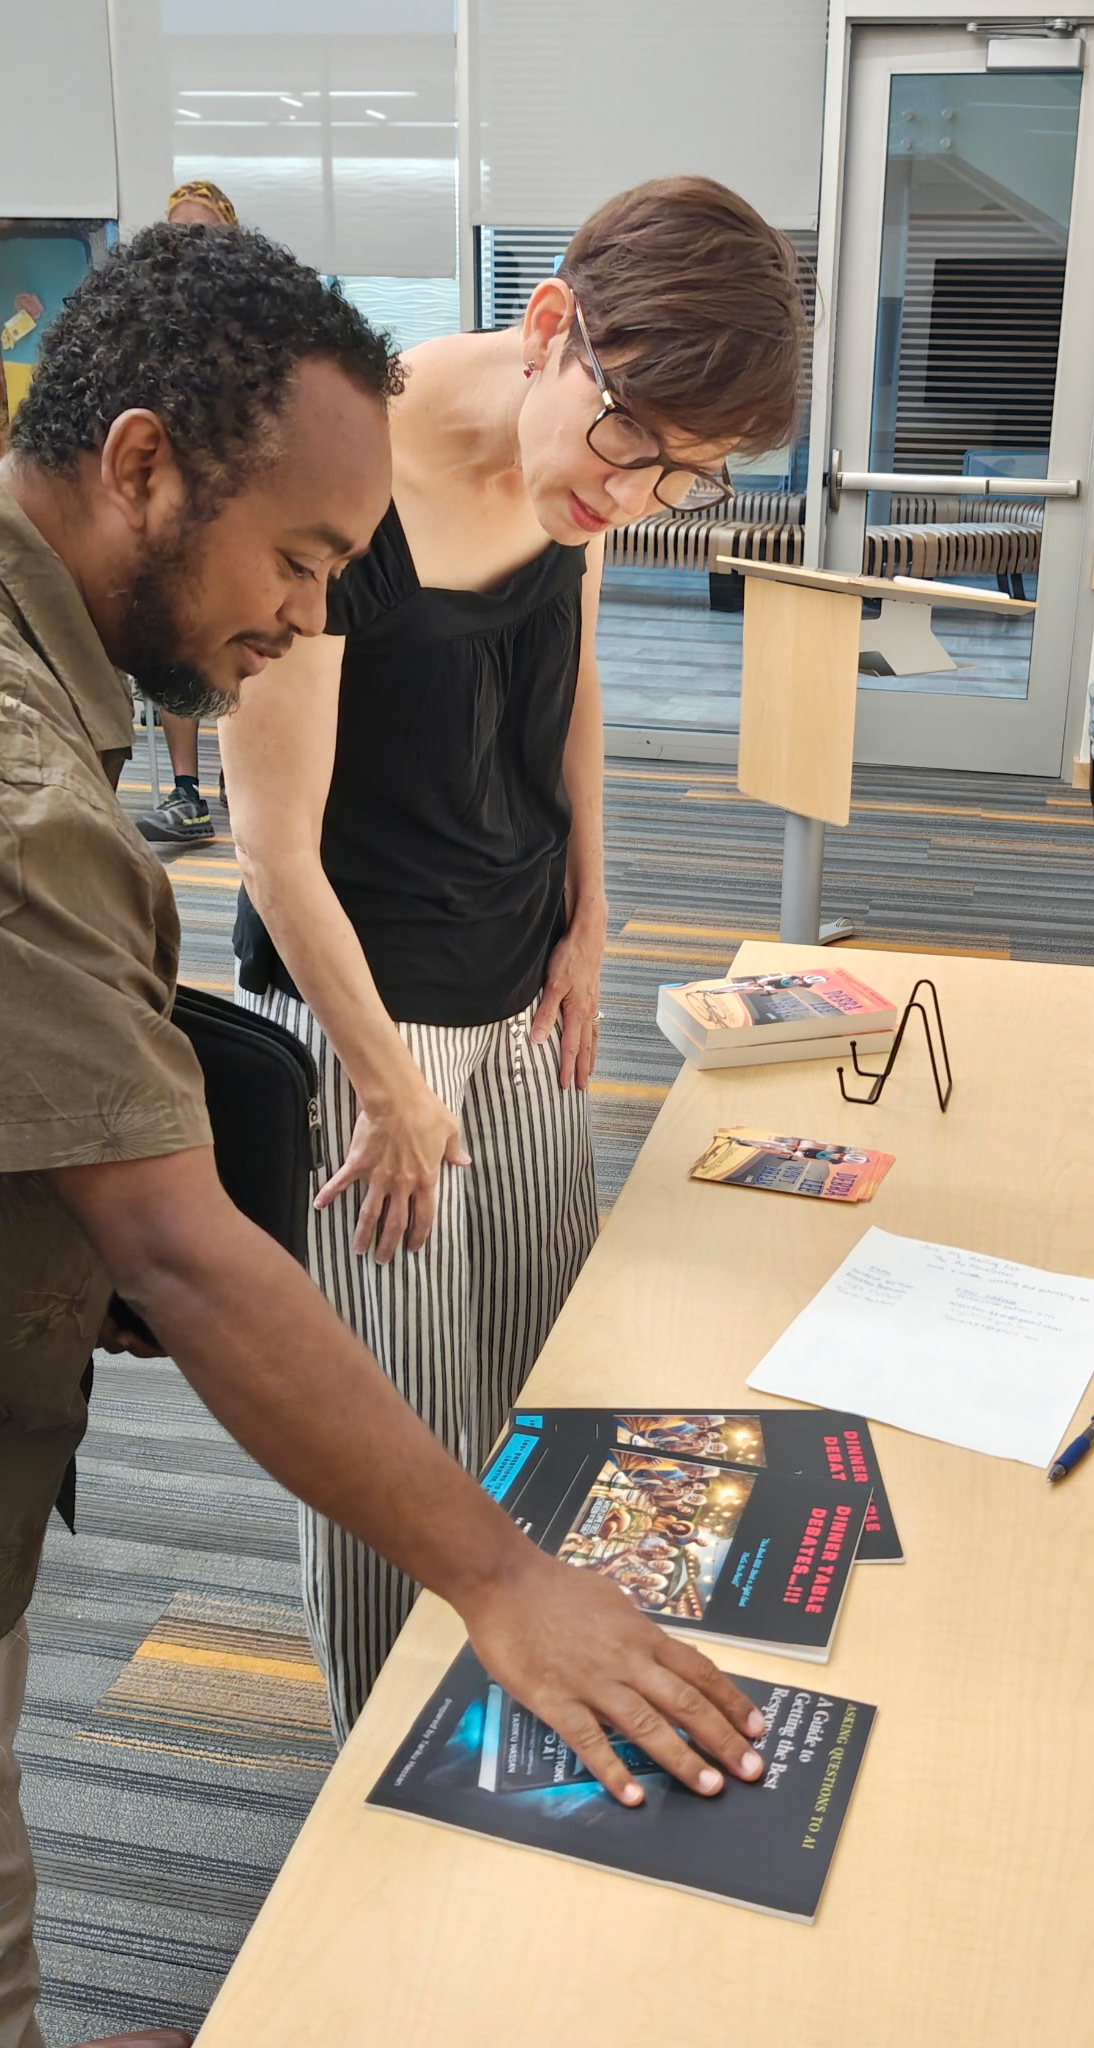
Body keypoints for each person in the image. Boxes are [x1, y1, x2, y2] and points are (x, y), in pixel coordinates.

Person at [0, 221, 767, 2048]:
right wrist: (508, 1582)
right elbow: (179, 1244)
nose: (308, 617)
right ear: (142, 464)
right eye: (297, 560)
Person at [220, 176, 806, 1732]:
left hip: (517, 976)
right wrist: (383, 1086)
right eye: (633, 446)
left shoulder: (585, 488)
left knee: (547, 1377)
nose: (636, 499)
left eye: (690, 479)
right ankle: (380, 1783)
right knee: (392, 1439)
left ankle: (528, 1730)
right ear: (552, 326)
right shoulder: (331, 470)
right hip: (368, 1016)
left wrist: (589, 922)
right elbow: (272, 847)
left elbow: (575, 691)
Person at [135, 180, 241, 845]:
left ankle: (242, 774)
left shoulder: (247, 319)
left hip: (232, 505)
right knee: (173, 646)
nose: (188, 243)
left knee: (236, 642)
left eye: (200, 230)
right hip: (172, 502)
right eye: (178, 231)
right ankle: (185, 793)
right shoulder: (151, 318)